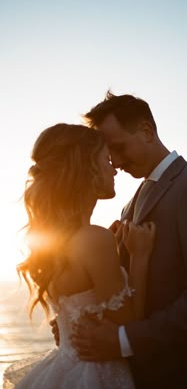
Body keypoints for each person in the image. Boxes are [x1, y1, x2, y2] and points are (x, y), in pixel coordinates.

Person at [65, 91, 187, 389]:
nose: (114, 162)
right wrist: (80, 320)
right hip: (141, 374)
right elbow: (119, 287)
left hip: (186, 372)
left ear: (146, 131)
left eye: (118, 147)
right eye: (109, 153)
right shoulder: (131, 202)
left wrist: (124, 340)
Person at [3, 123, 156, 389]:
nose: (114, 168)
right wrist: (140, 257)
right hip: (96, 374)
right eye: (106, 160)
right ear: (87, 170)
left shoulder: (58, 242)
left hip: (65, 368)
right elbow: (130, 323)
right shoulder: (95, 239)